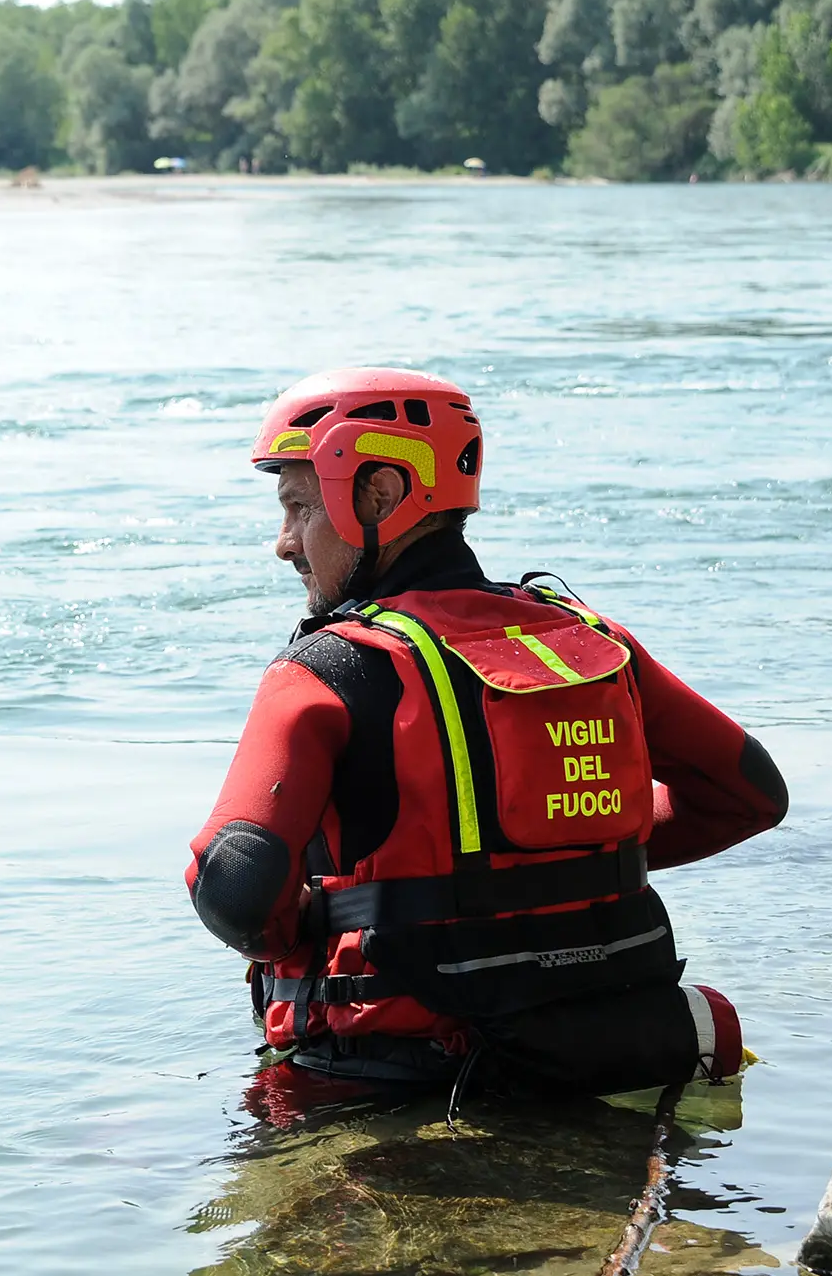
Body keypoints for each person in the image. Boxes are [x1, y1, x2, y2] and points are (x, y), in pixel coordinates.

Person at [185, 368, 788, 1095]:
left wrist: (306, 924)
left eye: (297, 507)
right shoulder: (597, 643)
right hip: (604, 1050)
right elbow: (752, 796)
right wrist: (556, 857)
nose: (284, 543)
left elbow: (235, 889)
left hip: (392, 1082)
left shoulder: (325, 668)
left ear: (380, 494)